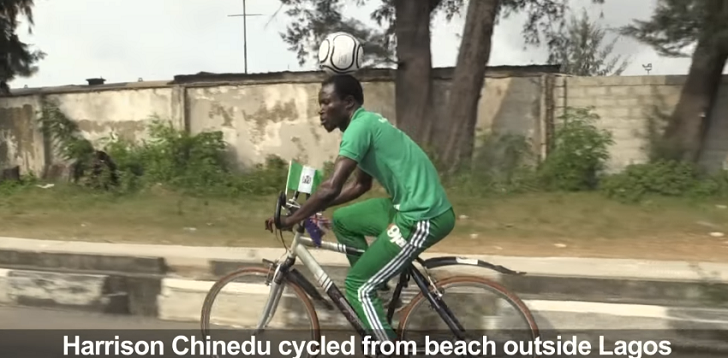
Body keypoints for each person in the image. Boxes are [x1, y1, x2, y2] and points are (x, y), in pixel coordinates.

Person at [265, 74, 455, 343]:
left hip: (422, 216)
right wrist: (310, 208)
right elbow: (359, 186)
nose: (320, 110)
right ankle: (379, 286)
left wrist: (293, 218)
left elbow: (330, 187)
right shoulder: (364, 124)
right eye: (319, 103)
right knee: (343, 220)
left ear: (348, 102)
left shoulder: (357, 129)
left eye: (326, 102)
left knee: (356, 286)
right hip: (407, 206)